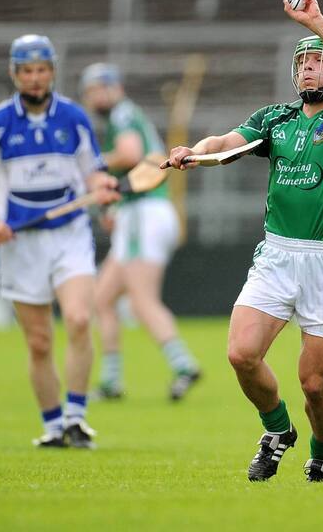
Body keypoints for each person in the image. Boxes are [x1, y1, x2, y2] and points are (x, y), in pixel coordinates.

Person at [164, 0, 323, 483]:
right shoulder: (275, 119)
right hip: (276, 255)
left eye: (319, 62)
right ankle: (278, 431)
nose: (308, 67)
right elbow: (225, 143)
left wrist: (317, 23)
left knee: (315, 384)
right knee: (241, 354)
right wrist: (193, 150)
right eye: (303, 61)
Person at [0, 35, 120, 448]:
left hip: (69, 235)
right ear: (15, 74)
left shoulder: (74, 118)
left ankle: (77, 418)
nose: (34, 78)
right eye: (26, 71)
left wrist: (101, 187)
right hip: (19, 244)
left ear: (52, 72)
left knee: (80, 318)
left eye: (41, 70)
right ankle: (53, 426)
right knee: (40, 341)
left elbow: (93, 171)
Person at [80, 63, 201, 402]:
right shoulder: (125, 114)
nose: (94, 98)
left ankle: (183, 365)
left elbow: (130, 154)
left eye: (98, 90)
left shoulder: (121, 114)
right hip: (142, 214)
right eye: (89, 92)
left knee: (141, 299)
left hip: (143, 215)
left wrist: (90, 164)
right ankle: (111, 382)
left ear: (114, 88)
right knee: (101, 299)